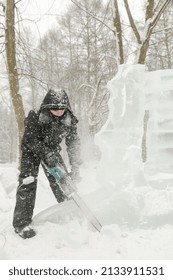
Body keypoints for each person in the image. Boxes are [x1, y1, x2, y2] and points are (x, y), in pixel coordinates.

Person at [13, 89, 81, 239]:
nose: (58, 111)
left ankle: (71, 211)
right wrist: (45, 153)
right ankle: (21, 224)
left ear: (67, 107)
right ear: (47, 106)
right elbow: (30, 139)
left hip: (52, 150)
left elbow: (73, 143)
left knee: (63, 180)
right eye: (54, 108)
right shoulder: (35, 115)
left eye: (61, 108)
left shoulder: (69, 119)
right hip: (31, 150)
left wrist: (75, 166)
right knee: (28, 182)